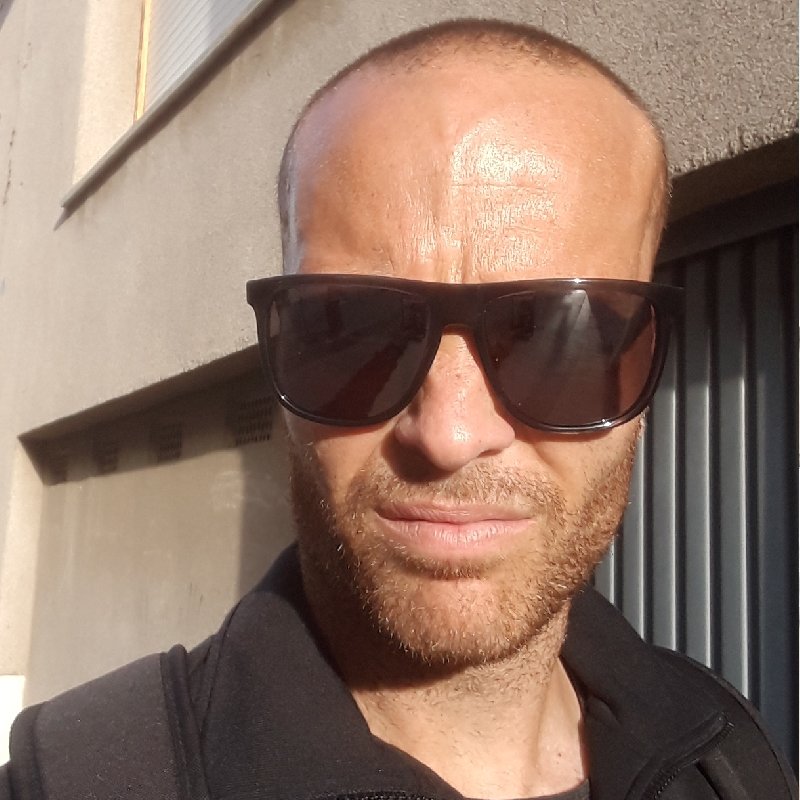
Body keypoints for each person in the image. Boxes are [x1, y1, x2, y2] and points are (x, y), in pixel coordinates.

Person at [2, 18, 796, 800]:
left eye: (556, 333)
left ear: (646, 358)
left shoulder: (727, 752)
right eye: (352, 329)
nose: (449, 434)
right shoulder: (83, 781)